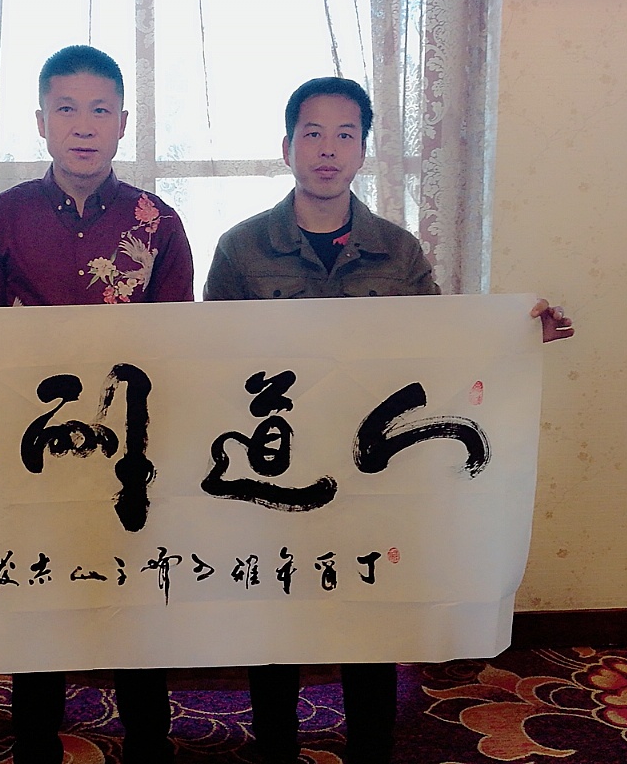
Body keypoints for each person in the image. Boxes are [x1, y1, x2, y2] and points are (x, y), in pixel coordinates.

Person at [203, 76, 574, 764]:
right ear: (287, 146)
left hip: (371, 466)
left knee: (371, 617)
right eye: (313, 133)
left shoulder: (398, 252)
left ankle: (371, 748)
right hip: (276, 463)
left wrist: (521, 339)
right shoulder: (241, 249)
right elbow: (210, 360)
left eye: (345, 135)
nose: (328, 149)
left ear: (363, 150)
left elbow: (440, 347)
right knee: (276, 612)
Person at [0, 45, 194, 764]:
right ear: (41, 121)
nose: (83, 126)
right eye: (66, 109)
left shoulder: (159, 222)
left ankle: (148, 743)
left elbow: (177, 347)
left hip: (132, 447)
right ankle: (36, 741)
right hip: (31, 448)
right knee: (39, 601)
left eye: (100, 110)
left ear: (123, 122)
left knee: (136, 599)